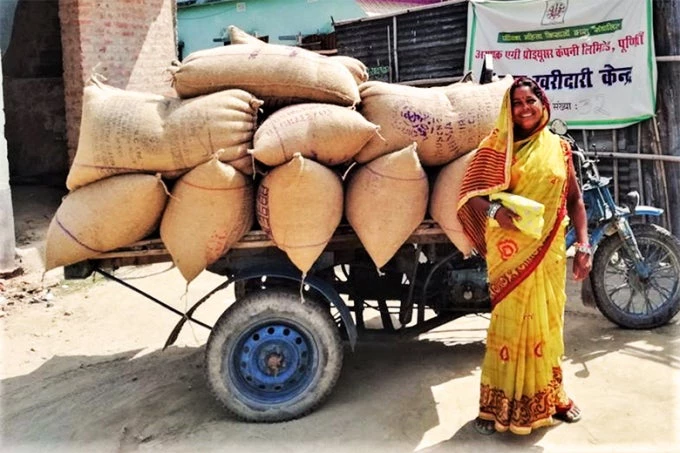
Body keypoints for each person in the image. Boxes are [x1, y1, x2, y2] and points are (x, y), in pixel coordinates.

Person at [457, 76, 592, 435]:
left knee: (548, 327)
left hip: (549, 253)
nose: (525, 108)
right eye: (517, 103)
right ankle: (495, 407)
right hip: (511, 253)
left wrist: (584, 244)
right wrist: (494, 213)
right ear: (509, 109)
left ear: (542, 102)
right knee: (509, 326)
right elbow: (471, 193)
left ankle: (555, 397)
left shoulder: (560, 148)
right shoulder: (497, 147)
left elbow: (575, 200)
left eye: (530, 100)